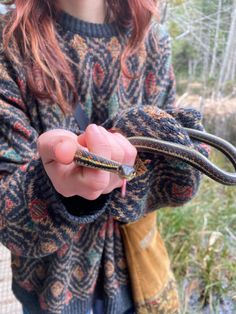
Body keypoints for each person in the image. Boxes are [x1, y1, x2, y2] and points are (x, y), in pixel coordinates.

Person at [0, 0, 209, 313]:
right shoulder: (11, 45)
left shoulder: (153, 41)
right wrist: (57, 190)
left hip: (135, 282)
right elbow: (6, 213)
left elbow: (174, 180)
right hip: (46, 291)